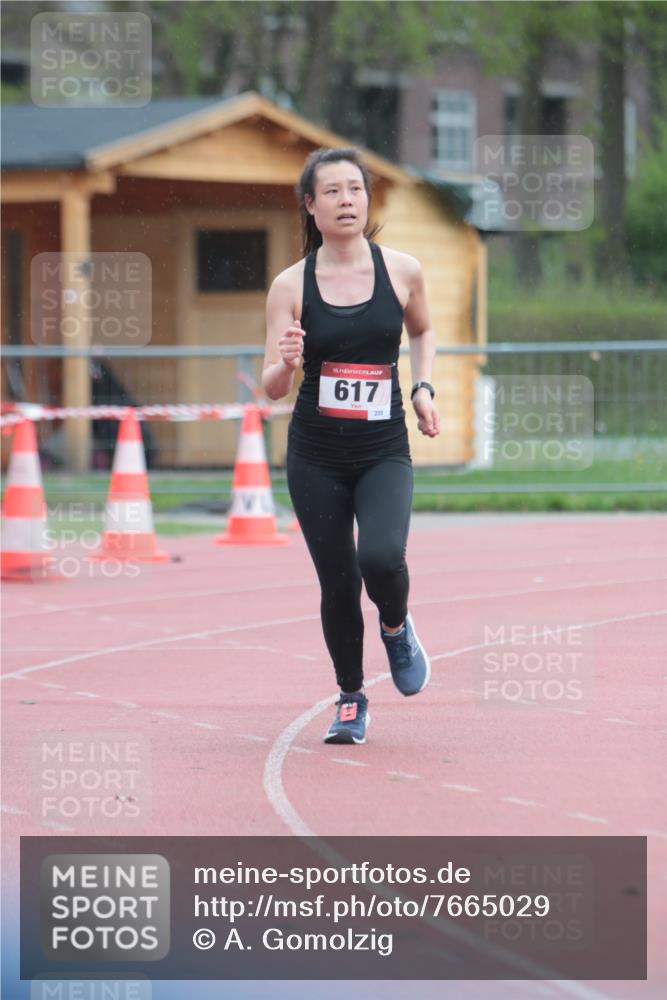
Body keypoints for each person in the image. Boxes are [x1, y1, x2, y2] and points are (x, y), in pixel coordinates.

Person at [261, 147, 440, 745]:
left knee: (382, 559)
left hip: (383, 447)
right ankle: (350, 697)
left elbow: (422, 329)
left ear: (368, 199)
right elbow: (271, 385)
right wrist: (285, 365)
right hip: (315, 453)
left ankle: (395, 625)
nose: (345, 200)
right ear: (310, 206)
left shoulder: (402, 270)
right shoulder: (291, 284)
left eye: (355, 190)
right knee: (338, 582)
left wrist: (421, 387)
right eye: (331, 192)